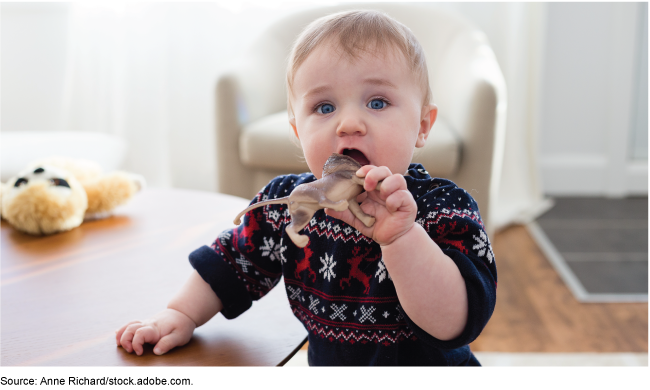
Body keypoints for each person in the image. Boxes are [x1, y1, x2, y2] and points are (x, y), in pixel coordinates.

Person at [116, 9, 497, 366]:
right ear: (298, 132)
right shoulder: (289, 206)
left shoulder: (442, 206)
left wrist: (402, 239)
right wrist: (179, 313)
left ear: (422, 126)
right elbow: (232, 261)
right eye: (325, 107)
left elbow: (455, 322)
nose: (349, 123)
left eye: (377, 102)